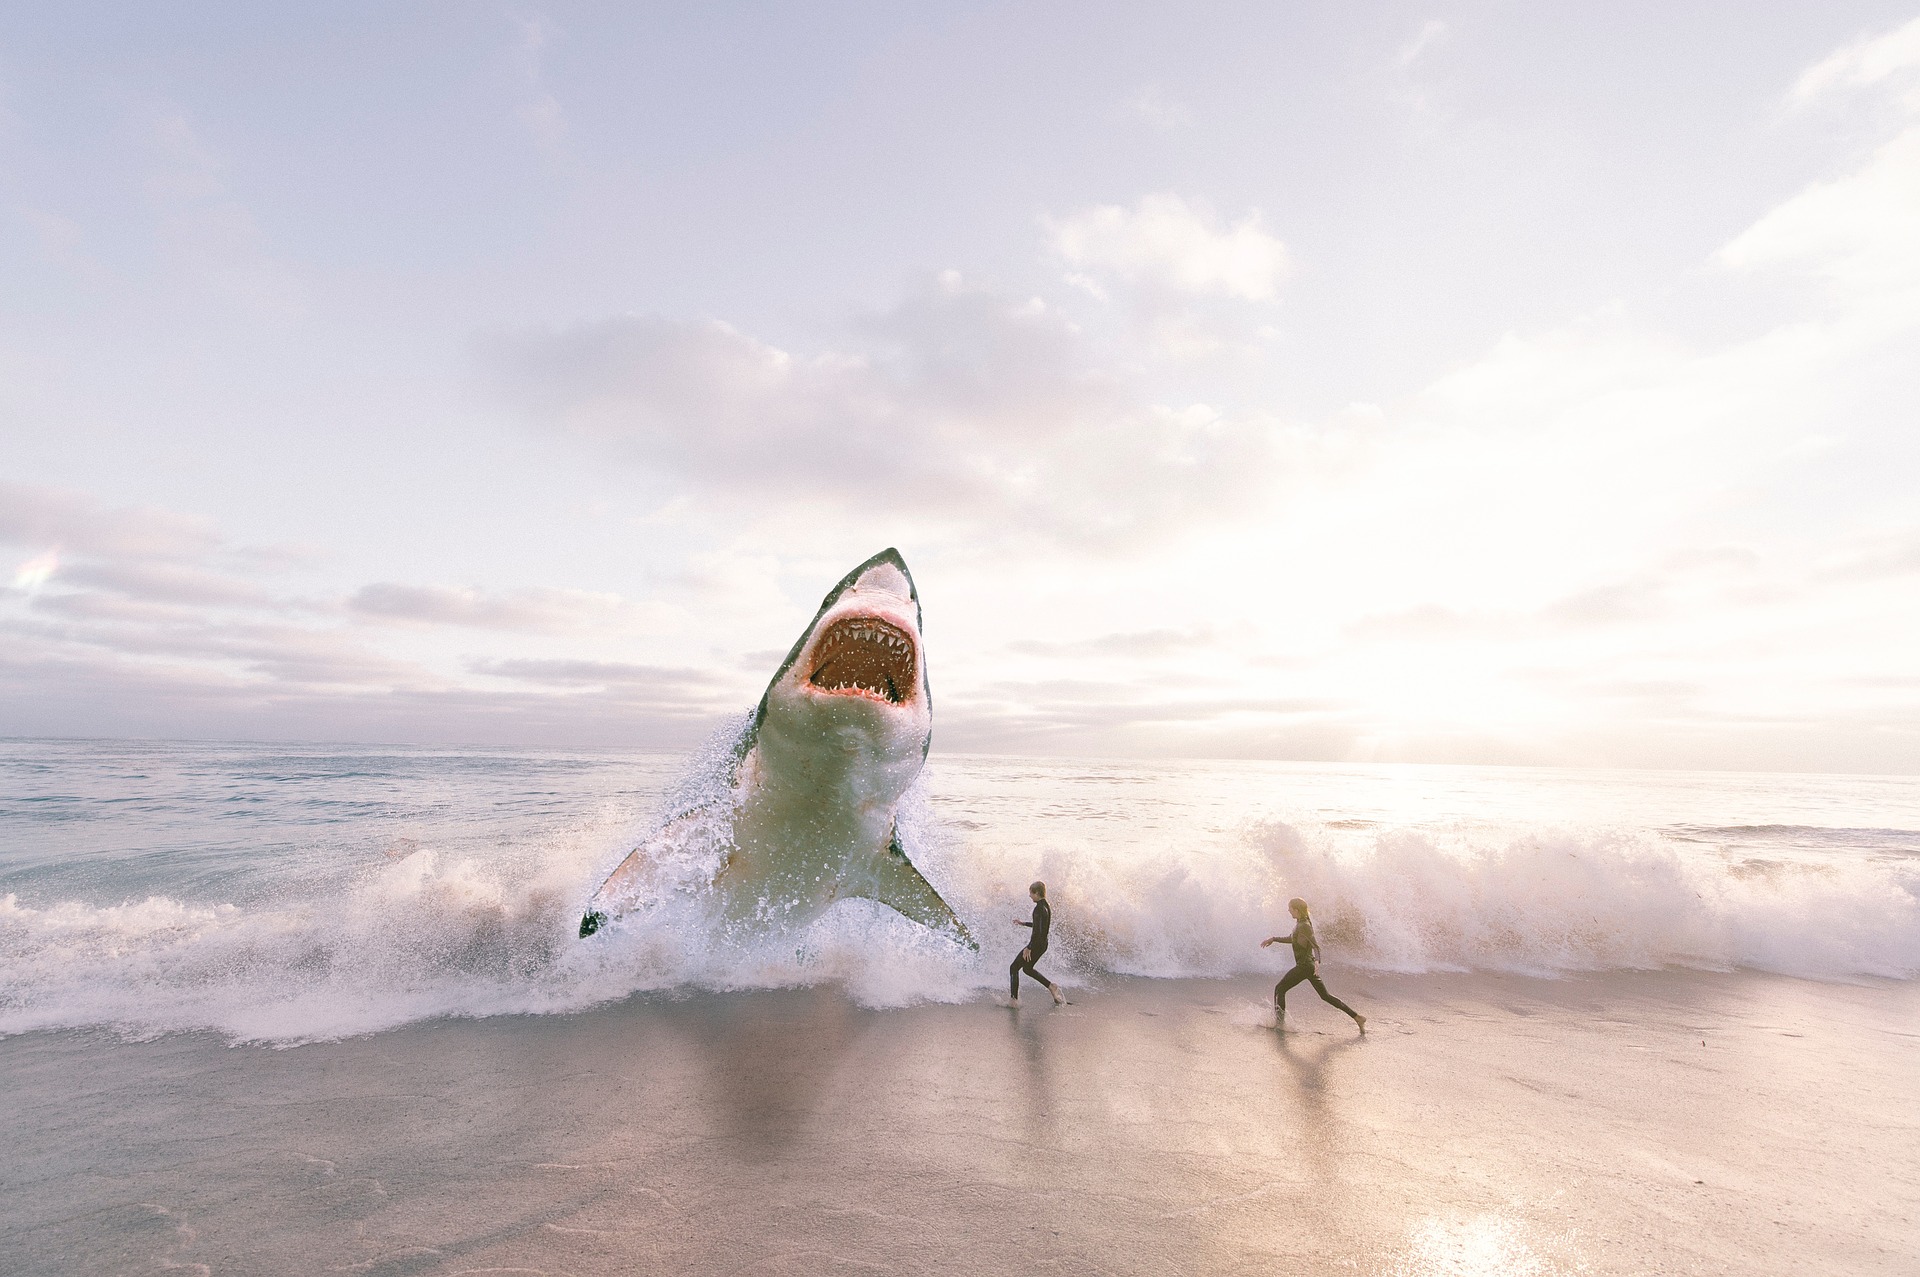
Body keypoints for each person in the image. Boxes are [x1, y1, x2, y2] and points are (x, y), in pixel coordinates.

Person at [1261, 897, 1364, 1033]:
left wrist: (1317, 961)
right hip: (1307, 967)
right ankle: (1357, 1017)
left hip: (1305, 966)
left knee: (1280, 989)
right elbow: (1292, 939)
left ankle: (1279, 1023)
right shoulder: (1300, 923)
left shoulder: (1305, 926)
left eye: (1290, 908)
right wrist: (1274, 939)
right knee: (1325, 996)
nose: (1288, 910)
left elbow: (1316, 946)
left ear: (1296, 910)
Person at [1010, 880, 1065, 1005]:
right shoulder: (1045, 906)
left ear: (1037, 893)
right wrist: (1024, 923)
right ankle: (1051, 986)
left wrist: (1029, 947)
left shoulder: (1038, 909)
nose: (1030, 896)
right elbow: (1039, 926)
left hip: (1036, 945)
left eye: (1031, 893)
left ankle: (1013, 1000)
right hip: (1042, 944)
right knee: (1027, 969)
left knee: (1014, 968)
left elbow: (1038, 932)